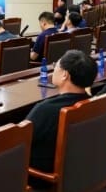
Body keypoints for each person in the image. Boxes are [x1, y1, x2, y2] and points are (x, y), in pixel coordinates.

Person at [25, 50, 97, 183]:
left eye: (55, 66)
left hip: (42, 177)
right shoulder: (94, 103)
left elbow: (19, 143)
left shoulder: (45, 110)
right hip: (78, 170)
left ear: (65, 74)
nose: (53, 70)